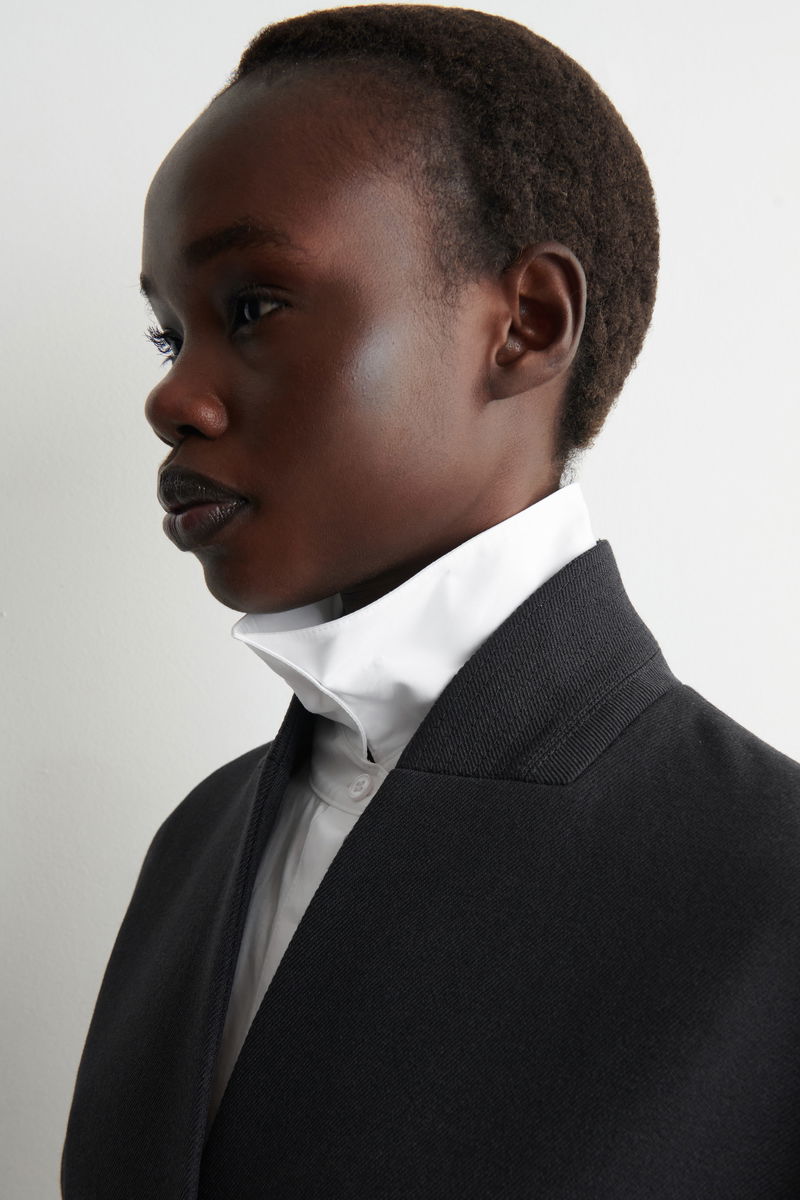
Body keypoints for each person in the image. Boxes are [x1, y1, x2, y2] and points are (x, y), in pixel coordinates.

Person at [61, 6, 800, 1197]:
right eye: (168, 336)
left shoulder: (768, 885)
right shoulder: (198, 845)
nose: (174, 398)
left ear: (526, 324)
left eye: (252, 307)